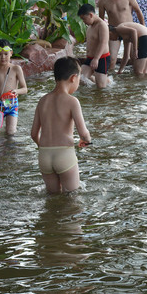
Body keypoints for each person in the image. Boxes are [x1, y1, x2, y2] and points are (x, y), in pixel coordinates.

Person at [31, 57, 92, 194]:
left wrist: (44, 147)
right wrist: (87, 141)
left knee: (52, 197)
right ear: (73, 78)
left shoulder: (43, 101)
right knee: (73, 200)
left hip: (44, 156)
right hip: (64, 154)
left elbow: (34, 134)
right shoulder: (72, 101)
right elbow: (83, 133)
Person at [97, 0, 145, 71]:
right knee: (112, 59)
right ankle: (111, 80)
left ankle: (134, 80)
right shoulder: (103, 1)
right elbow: (101, 20)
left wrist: (143, 28)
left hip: (129, 30)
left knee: (133, 57)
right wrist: (105, 33)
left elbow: (138, 11)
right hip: (114, 31)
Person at [0, 39, 28, 135]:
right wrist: (0, 96)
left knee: (10, 132)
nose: (3, 57)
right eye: (0, 54)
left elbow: (25, 89)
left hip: (11, 104)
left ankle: (10, 149)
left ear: (11, 53)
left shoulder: (16, 69)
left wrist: (16, 91)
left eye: (6, 54)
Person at [78, 3, 111, 88]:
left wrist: (96, 58)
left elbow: (103, 42)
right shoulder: (90, 26)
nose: (83, 22)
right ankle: (97, 78)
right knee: (80, 79)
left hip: (101, 58)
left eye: (84, 19)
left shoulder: (102, 25)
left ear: (91, 15)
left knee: (101, 88)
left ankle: (106, 80)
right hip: (90, 58)